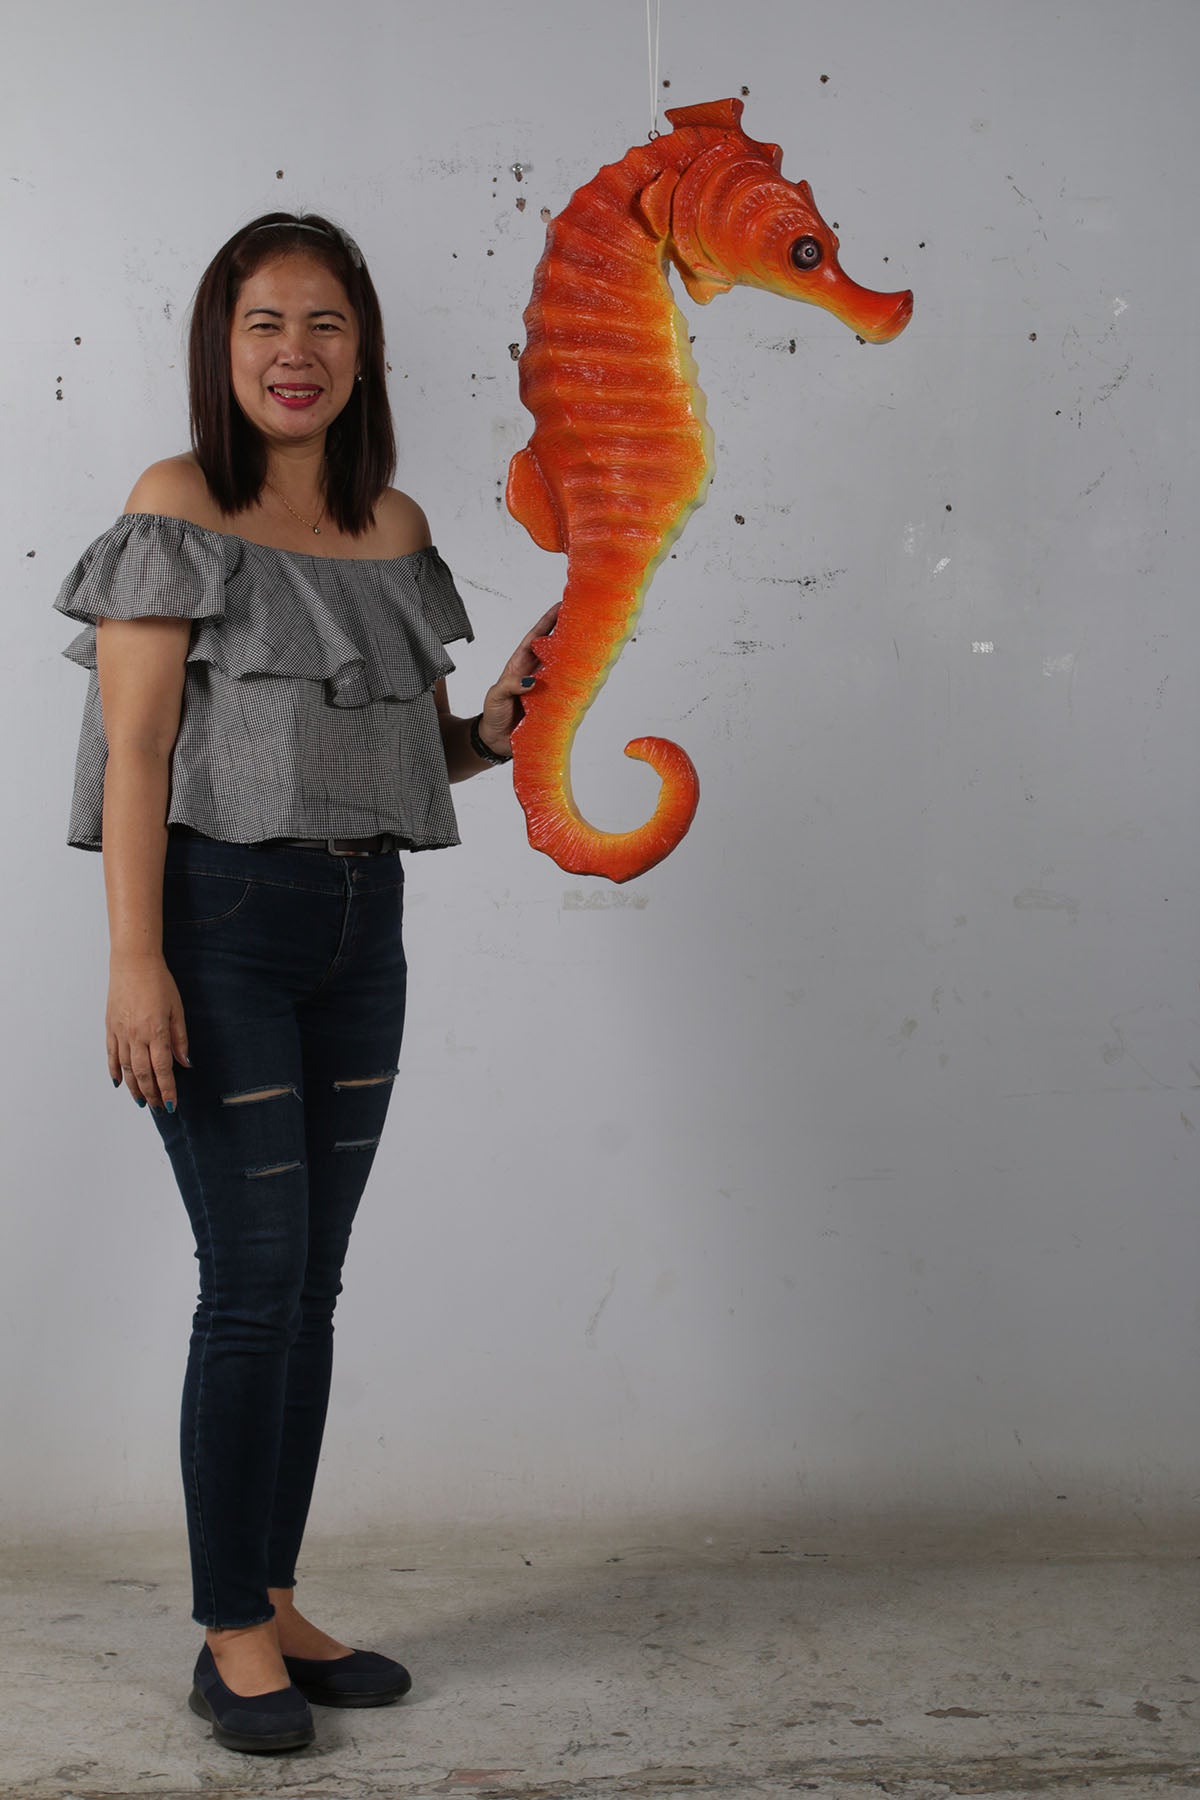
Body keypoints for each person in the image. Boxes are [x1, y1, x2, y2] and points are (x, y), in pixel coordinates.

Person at [52, 211, 557, 1757]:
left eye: (325, 323)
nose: (295, 351)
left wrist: (500, 723)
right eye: (263, 322)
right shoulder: (175, 505)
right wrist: (135, 961)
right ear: (223, 347)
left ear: (364, 350)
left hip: (361, 926)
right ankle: (227, 1634)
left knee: (311, 1284)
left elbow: (407, 752)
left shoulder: (392, 526)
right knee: (252, 1280)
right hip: (217, 922)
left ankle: (271, 1599)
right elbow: (140, 751)